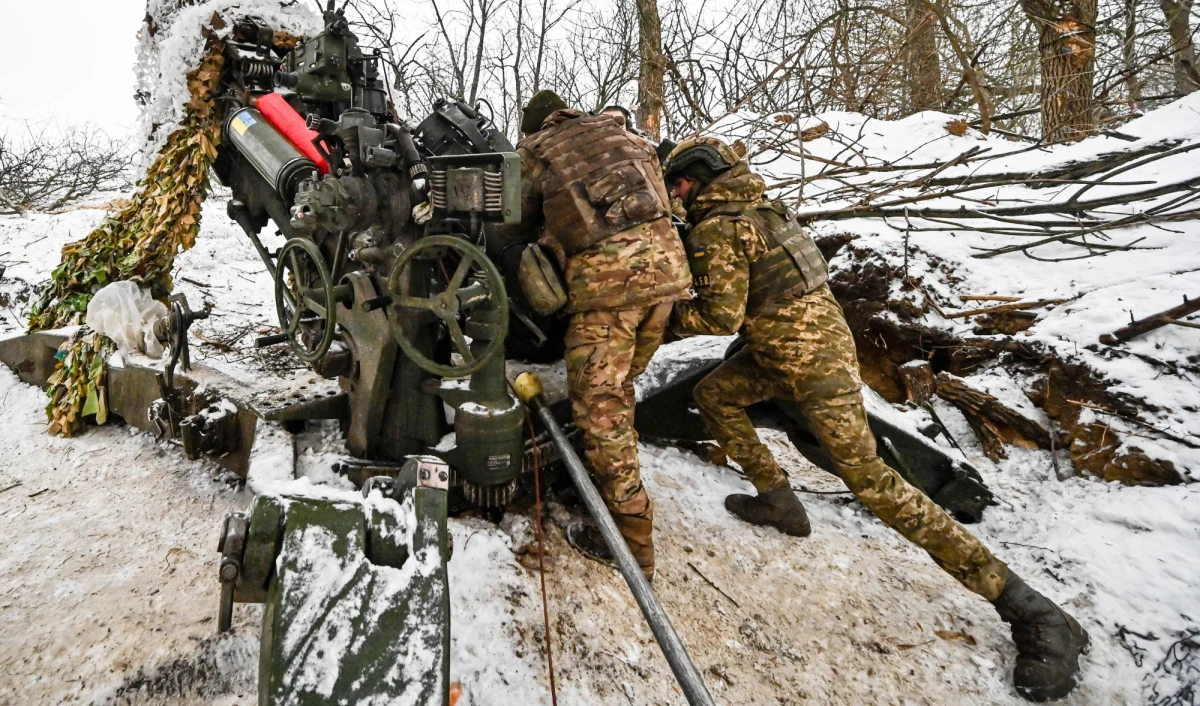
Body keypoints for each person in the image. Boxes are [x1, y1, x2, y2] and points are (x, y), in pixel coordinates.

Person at [662, 136, 1089, 702]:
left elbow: (719, 313)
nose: (675, 195)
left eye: (678, 184)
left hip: (808, 361)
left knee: (873, 481)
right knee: (716, 394)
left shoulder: (721, 225)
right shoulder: (760, 208)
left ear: (697, 177)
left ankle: (1035, 612)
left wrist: (658, 319)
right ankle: (778, 499)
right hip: (791, 348)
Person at [511, 90, 691, 580]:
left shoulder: (536, 150)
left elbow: (514, 222)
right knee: (618, 392)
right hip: (668, 278)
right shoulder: (622, 135)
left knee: (600, 410)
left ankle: (631, 542)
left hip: (610, 290)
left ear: (533, 127)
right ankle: (600, 473)